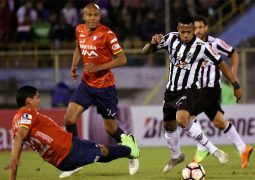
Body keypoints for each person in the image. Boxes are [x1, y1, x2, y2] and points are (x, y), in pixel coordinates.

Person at [142, 16, 242, 173]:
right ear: (178, 29)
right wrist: (151, 43)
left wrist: (235, 85)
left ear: (193, 30)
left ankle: (212, 148)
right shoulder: (170, 39)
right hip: (171, 91)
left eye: (189, 31)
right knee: (168, 126)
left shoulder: (202, 47)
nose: (186, 35)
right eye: (183, 32)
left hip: (190, 90)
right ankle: (176, 155)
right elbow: (145, 52)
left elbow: (222, 64)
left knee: (182, 119)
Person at [62, 3, 139, 177]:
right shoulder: (79, 29)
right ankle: (74, 160)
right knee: (69, 118)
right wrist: (74, 66)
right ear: (84, 16)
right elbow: (79, 48)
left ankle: (130, 149)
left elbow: (122, 59)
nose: (92, 18)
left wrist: (99, 67)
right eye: (89, 15)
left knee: (111, 129)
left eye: (95, 15)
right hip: (87, 84)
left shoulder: (107, 34)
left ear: (100, 17)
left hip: (105, 87)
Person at [5, 86, 140, 180]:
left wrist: (13, 174)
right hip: (69, 150)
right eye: (37, 97)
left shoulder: (15, 121)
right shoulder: (28, 114)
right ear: (29, 100)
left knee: (101, 152)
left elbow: (18, 139)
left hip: (61, 161)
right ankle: (131, 150)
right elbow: (19, 137)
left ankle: (129, 150)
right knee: (102, 151)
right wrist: (13, 159)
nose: (39, 100)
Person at [192, 15, 253, 168]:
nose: (197, 31)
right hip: (198, 89)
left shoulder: (215, 43)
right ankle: (243, 148)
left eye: (200, 27)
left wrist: (234, 76)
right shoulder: (191, 45)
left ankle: (202, 147)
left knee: (186, 115)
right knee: (219, 122)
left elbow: (233, 53)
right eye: (195, 28)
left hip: (210, 88)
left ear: (206, 28)